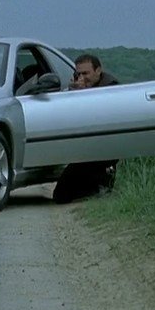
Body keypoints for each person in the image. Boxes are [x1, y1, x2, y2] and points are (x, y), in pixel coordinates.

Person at [53, 54, 120, 204]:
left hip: (103, 152)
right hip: (85, 151)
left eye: (86, 73)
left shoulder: (111, 87)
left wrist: (83, 93)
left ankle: (103, 185)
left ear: (98, 71)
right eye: (79, 74)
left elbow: (99, 114)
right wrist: (72, 93)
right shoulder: (79, 87)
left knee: (65, 194)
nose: (82, 77)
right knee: (60, 195)